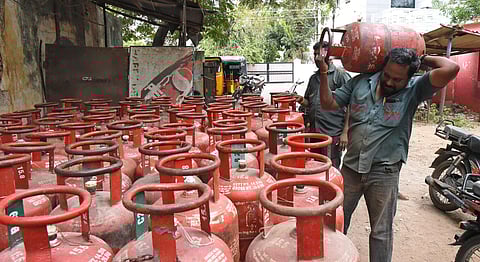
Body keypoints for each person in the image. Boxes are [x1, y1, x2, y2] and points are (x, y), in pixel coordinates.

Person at [316, 47, 459, 262]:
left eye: (397, 79)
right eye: (387, 75)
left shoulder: (415, 89)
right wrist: (324, 72)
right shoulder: (360, 83)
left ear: (409, 77)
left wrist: (422, 58)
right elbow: (328, 104)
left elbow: (451, 67)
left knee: (381, 233)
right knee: (336, 223)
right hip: (351, 169)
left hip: (384, 173)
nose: (390, 82)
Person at [296, 41, 351, 169]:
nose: (317, 58)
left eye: (319, 54)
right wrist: (299, 99)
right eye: (315, 55)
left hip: (331, 132)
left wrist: (345, 132)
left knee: (330, 167)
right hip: (315, 131)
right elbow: (309, 103)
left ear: (329, 55)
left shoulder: (340, 76)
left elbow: (351, 105)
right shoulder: (314, 79)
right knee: (315, 165)